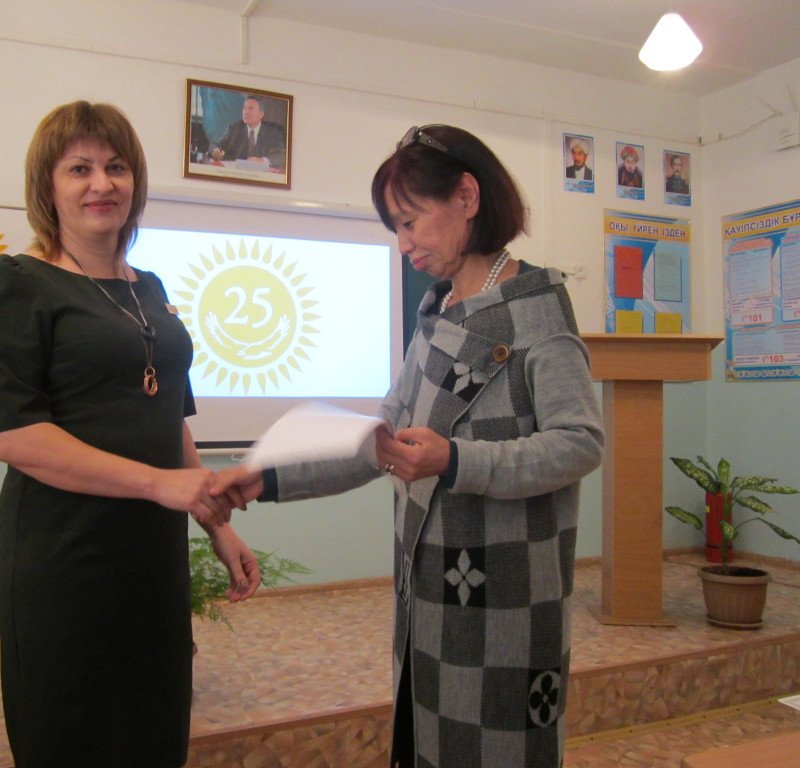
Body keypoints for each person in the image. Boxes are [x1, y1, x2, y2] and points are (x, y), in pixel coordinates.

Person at [214, 124, 604, 768]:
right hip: (426, 593)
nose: (404, 244)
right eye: (396, 228)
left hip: (506, 601)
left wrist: (455, 461)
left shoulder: (536, 308)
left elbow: (580, 444)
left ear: (467, 197)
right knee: (428, 739)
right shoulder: (437, 312)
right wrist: (267, 478)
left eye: (410, 221)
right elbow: (381, 440)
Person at [0, 100, 261, 768]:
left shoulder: (148, 289)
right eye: (79, 169)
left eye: (117, 167)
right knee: (74, 739)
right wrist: (158, 484)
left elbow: (169, 418)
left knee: (153, 733)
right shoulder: (19, 282)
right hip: (66, 557)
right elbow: (13, 435)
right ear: (48, 186)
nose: (101, 184)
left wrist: (216, 522)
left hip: (151, 557)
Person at [210, 94, 287, 168]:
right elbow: (215, 146)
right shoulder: (233, 129)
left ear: (261, 114)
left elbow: (282, 155)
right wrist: (216, 151)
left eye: (251, 108)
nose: (246, 112)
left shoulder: (273, 133)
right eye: (244, 108)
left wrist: (262, 160)